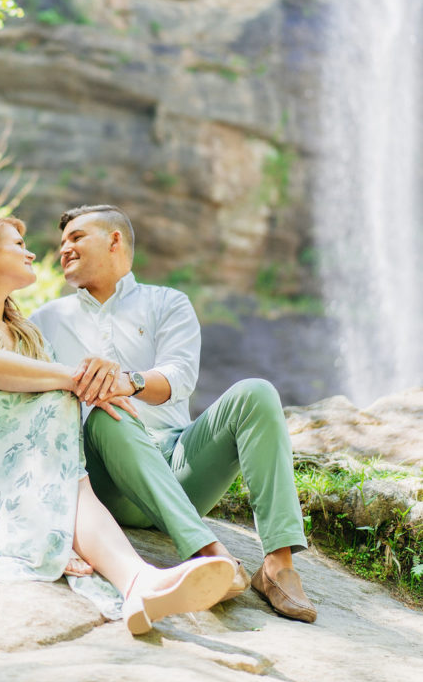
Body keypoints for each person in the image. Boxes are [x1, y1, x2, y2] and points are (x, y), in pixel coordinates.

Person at [0, 215, 235, 634]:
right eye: (18, 242)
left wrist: (97, 390)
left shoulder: (28, 335)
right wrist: (76, 380)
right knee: (60, 396)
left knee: (61, 405)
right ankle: (114, 565)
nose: (32, 252)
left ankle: (137, 579)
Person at [31, 205, 317, 624]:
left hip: (179, 464)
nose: (64, 249)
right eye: (61, 243)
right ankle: (208, 555)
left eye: (76, 237)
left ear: (115, 241)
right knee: (106, 412)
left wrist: (129, 381)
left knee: (256, 392)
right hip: (104, 480)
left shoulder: (167, 302)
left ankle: (278, 566)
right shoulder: (45, 321)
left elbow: (179, 376)